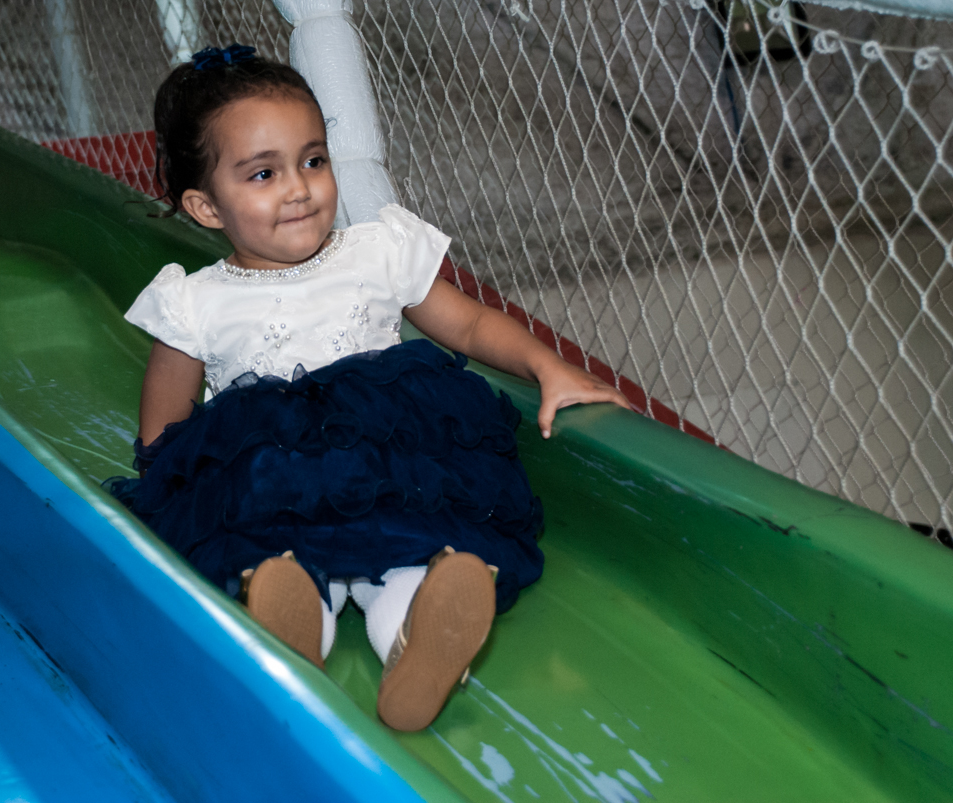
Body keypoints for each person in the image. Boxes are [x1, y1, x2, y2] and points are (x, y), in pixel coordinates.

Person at [105, 44, 629, 731]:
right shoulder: (194, 302)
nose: (299, 188)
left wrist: (545, 365)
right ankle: (290, 624)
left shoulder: (376, 252)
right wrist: (177, 500)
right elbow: (163, 433)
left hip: (389, 465)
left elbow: (468, 323)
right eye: (263, 173)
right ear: (206, 206)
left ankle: (420, 636)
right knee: (273, 557)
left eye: (313, 161)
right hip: (276, 484)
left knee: (414, 543)